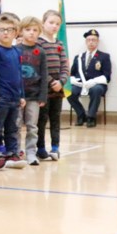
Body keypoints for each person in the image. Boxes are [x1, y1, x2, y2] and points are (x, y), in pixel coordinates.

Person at [0, 13, 26, 168]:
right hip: (2, 97)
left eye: (9, 29)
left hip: (15, 98)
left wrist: (22, 95)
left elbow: (19, 74)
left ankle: (12, 153)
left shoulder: (17, 51)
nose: (6, 33)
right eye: (2, 30)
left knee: (12, 128)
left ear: (16, 33)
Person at [37, 9, 68, 160]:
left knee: (55, 118)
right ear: (43, 23)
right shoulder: (38, 43)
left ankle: (55, 147)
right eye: (51, 22)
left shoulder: (59, 43)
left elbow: (65, 66)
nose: (54, 26)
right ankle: (40, 148)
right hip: (43, 87)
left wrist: (61, 81)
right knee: (41, 119)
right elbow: (38, 67)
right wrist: (50, 81)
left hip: (58, 88)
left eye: (57, 24)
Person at [67, 28, 111, 128]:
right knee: (69, 92)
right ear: (86, 41)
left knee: (96, 90)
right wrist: (73, 80)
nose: (91, 42)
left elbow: (107, 76)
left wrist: (94, 81)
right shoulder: (78, 57)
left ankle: (91, 117)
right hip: (80, 84)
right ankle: (81, 114)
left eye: (94, 40)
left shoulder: (104, 56)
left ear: (97, 41)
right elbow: (72, 73)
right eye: (89, 40)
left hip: (96, 84)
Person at [19, 16, 47, 166]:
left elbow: (44, 74)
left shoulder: (40, 52)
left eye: (35, 30)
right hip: (18, 96)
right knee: (15, 125)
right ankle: (16, 152)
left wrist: (43, 95)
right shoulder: (16, 50)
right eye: (28, 29)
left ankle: (31, 152)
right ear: (21, 31)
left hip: (34, 96)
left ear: (39, 32)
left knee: (32, 126)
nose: (31, 33)